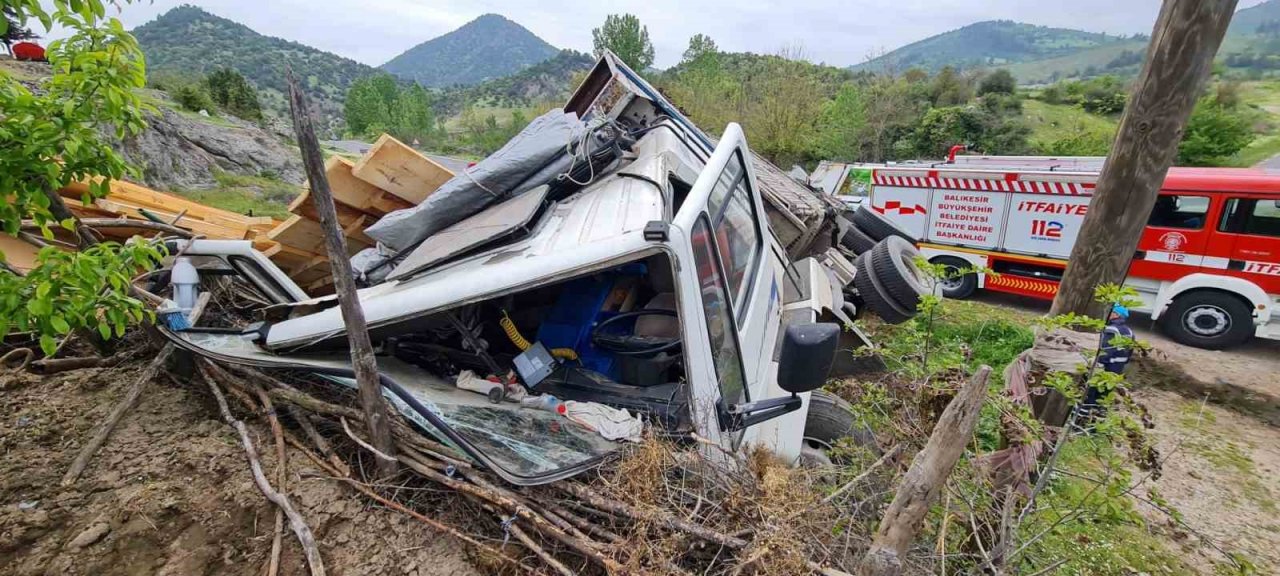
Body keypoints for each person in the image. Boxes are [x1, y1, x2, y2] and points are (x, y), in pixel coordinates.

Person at [1081, 306, 1134, 420]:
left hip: (1105, 368)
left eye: (1111, 312)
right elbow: (1129, 352)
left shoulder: (1111, 329)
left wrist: (1093, 365)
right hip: (1117, 370)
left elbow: (1104, 352)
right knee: (1105, 397)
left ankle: (1082, 420)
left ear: (1116, 314)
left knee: (1090, 395)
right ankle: (1098, 422)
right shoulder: (1129, 332)